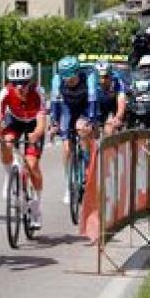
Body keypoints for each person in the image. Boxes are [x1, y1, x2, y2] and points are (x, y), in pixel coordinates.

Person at [0, 61, 47, 228]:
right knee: (5, 142)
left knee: (32, 165)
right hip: (15, 121)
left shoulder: (38, 93)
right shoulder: (5, 93)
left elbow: (42, 121)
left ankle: (36, 207)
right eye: (15, 83)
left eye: (24, 83)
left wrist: (36, 134)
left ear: (31, 82)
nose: (20, 87)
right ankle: (9, 174)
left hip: (33, 124)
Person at [48, 55, 98, 205]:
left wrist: (90, 121)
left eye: (72, 77)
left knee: (83, 130)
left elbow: (93, 103)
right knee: (67, 148)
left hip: (84, 107)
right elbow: (55, 105)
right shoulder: (57, 81)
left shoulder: (89, 78)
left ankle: (89, 165)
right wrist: (54, 123)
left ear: (78, 72)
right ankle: (69, 183)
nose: (69, 81)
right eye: (66, 78)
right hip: (67, 109)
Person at [93, 60, 128, 135]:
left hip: (113, 104)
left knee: (110, 129)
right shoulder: (92, 82)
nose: (103, 80)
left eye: (106, 76)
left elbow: (121, 100)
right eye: (100, 77)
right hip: (98, 105)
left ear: (110, 75)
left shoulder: (117, 81)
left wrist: (118, 117)